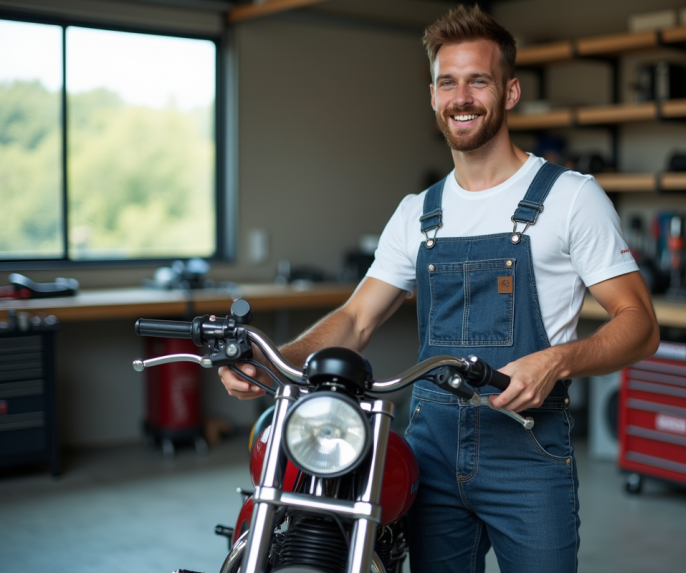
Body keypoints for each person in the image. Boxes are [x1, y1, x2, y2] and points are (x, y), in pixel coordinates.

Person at [220, 5, 659, 572]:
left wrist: (556, 362)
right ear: (432, 96)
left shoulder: (571, 197)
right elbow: (356, 320)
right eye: (447, 82)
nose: (462, 97)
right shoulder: (417, 213)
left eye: (478, 80)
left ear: (511, 91)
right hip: (428, 448)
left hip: (528, 454)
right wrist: (273, 358)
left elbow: (640, 325)